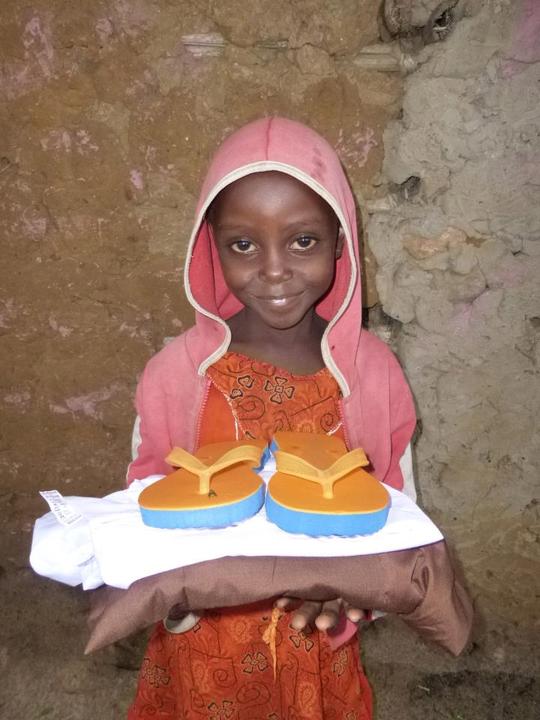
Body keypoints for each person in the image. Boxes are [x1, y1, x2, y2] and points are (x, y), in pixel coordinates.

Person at [126, 117, 416, 719]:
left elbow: (394, 509)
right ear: (211, 248)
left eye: (303, 240)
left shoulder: (373, 375)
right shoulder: (176, 375)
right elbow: (144, 501)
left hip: (318, 646)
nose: (275, 269)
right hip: (201, 648)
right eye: (243, 245)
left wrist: (355, 593)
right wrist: (169, 594)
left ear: (340, 243)